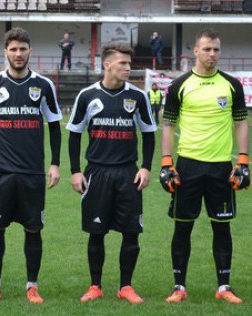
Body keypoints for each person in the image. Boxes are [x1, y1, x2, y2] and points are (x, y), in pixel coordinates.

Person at [0, 27, 62, 304]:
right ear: (6, 52)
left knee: (33, 229)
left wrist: (55, 163)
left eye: (23, 49)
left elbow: (55, 126)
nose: (18, 54)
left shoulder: (43, 85)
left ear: (30, 52)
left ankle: (32, 285)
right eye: (13, 49)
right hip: (0, 172)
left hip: (32, 172)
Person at [161, 29, 248, 304]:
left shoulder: (232, 84)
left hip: (221, 168)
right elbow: (168, 125)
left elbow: (241, 123)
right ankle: (179, 287)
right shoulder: (179, 85)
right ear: (195, 51)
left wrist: (243, 160)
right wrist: (166, 164)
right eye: (207, 49)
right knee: (182, 228)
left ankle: (224, 287)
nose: (212, 54)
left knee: (222, 228)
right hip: (187, 167)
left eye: (216, 49)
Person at [67, 42, 156, 304]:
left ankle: (125, 286)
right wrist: (75, 171)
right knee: (96, 233)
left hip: (128, 173)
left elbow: (149, 133)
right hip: (96, 173)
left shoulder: (138, 97)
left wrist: (146, 167)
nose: (128, 68)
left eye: (130, 63)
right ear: (107, 64)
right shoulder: (87, 96)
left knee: (131, 232)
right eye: (123, 63)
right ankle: (95, 286)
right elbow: (74, 134)